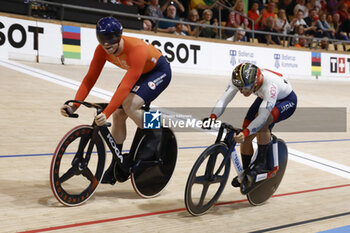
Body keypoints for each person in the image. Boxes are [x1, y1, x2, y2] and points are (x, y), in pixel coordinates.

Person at [60, 17, 172, 184]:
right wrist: (74, 105)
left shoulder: (137, 49)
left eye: (111, 38)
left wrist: (105, 112)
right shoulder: (101, 50)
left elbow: (125, 86)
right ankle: (116, 165)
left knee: (130, 106)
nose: (107, 44)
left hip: (158, 71)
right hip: (139, 72)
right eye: (102, 39)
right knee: (118, 114)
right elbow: (90, 79)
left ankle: (156, 128)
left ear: (119, 36)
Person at [204, 63, 297, 192]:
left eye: (245, 88)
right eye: (240, 88)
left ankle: (262, 164)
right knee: (245, 133)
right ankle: (248, 173)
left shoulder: (270, 86)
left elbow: (263, 116)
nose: (242, 91)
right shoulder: (241, 79)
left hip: (286, 100)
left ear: (255, 82)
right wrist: (213, 116)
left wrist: (247, 132)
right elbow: (224, 99)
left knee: (262, 123)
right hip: (262, 96)